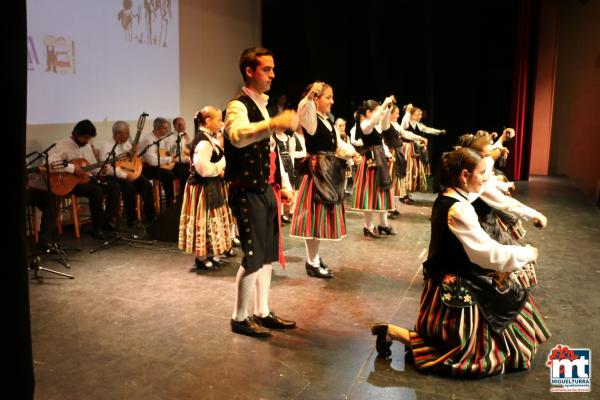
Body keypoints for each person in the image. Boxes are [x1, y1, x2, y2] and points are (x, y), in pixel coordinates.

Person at [371, 147, 549, 377]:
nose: (486, 179)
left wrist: (530, 213)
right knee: (468, 353)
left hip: (451, 275)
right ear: (465, 175)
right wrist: (526, 254)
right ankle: (393, 333)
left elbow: (495, 197)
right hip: (460, 281)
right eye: (482, 173)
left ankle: (395, 333)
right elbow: (487, 254)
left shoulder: (453, 195)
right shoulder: (458, 208)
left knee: (512, 300)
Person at [224, 46, 299, 337]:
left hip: (266, 189)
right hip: (247, 191)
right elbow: (238, 137)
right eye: (266, 69)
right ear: (249, 71)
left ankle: (262, 311)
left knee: (267, 255)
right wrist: (273, 123)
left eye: (272, 69)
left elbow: (272, 151)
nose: (272, 75)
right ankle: (239, 317)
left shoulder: (264, 105)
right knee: (253, 255)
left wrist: (285, 185)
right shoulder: (238, 106)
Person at [291, 82, 357, 279]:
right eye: (328, 97)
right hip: (317, 175)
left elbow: (337, 144)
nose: (332, 101)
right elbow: (303, 109)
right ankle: (312, 262)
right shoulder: (311, 120)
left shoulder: (327, 120)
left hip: (328, 172)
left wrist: (352, 153)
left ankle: (314, 258)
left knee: (317, 222)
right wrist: (311, 93)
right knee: (313, 221)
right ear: (317, 99)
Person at [47, 119, 121, 240]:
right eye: (84, 138)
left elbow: (91, 166)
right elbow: (50, 163)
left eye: (89, 138)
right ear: (76, 133)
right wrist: (73, 169)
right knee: (96, 191)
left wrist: (101, 170)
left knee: (115, 186)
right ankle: (97, 229)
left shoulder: (86, 146)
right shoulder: (62, 145)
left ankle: (105, 221)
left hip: (86, 180)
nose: (86, 141)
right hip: (68, 183)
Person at [179, 106, 233, 270]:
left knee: (211, 221)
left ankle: (209, 254)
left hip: (210, 186)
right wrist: (222, 164)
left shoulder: (210, 138)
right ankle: (201, 258)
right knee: (204, 221)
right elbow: (204, 170)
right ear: (208, 121)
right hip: (202, 188)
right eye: (218, 119)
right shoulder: (203, 142)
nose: (221, 122)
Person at [350, 97, 397, 238]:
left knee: (382, 192)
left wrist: (388, 108)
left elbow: (384, 124)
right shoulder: (364, 125)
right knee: (369, 195)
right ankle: (368, 226)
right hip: (370, 164)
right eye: (375, 111)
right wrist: (383, 105)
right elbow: (374, 121)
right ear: (369, 112)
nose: (379, 113)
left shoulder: (373, 125)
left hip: (380, 160)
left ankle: (383, 224)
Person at [99, 121, 156, 228]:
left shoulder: (127, 143)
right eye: (126, 133)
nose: (129, 135)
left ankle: (151, 216)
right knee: (129, 187)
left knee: (146, 184)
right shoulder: (107, 146)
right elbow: (107, 168)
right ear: (118, 134)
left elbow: (135, 160)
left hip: (129, 173)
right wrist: (125, 175)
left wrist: (135, 153)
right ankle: (132, 219)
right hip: (115, 176)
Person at [399, 104, 446, 195]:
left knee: (414, 170)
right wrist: (408, 110)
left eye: (420, 115)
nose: (420, 117)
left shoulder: (418, 125)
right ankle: (403, 193)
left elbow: (427, 129)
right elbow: (405, 121)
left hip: (416, 149)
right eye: (417, 115)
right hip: (408, 149)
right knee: (407, 169)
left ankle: (407, 192)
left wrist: (439, 132)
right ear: (411, 115)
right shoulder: (406, 123)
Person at [139, 117, 179, 207]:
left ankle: (182, 200)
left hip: (161, 164)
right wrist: (169, 159)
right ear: (157, 128)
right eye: (165, 128)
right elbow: (153, 161)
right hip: (147, 167)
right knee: (168, 174)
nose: (167, 130)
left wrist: (175, 146)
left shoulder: (163, 138)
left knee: (182, 169)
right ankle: (171, 203)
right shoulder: (148, 140)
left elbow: (168, 152)